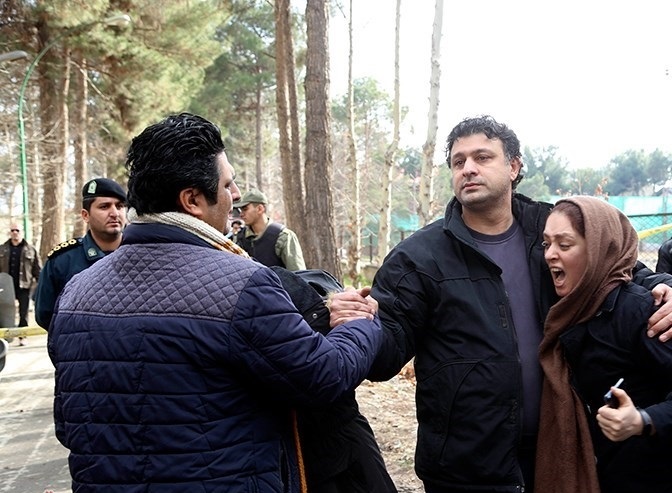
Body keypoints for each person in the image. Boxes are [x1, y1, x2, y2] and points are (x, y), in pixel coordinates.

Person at [331, 115, 672, 493]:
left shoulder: (548, 228)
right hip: (466, 467)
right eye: (458, 161)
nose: (468, 168)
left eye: (482, 157)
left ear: (513, 166)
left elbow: (616, 267)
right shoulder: (418, 257)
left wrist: (664, 286)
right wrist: (357, 323)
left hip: (561, 450)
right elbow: (386, 351)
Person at [47, 112, 383, 492]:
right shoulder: (243, 285)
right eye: (227, 184)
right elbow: (324, 376)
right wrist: (359, 323)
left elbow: (68, 424)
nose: (235, 195)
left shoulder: (75, 292)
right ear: (192, 200)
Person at [537, 196, 672, 493]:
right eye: (546, 244)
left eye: (564, 244)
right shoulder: (571, 309)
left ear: (598, 249)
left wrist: (643, 420)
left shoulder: (641, 313)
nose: (549, 255)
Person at [34, 177, 127, 329]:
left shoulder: (142, 253)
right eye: (104, 207)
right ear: (85, 215)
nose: (114, 213)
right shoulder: (62, 261)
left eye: (120, 206)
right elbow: (45, 315)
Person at [234, 188, 306, 270]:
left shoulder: (283, 237)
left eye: (245, 209)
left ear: (260, 209)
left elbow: (298, 274)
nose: (241, 214)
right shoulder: (240, 238)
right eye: (240, 210)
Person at [0, 224, 41, 343]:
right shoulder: (2, 249)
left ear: (21, 232)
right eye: (12, 230)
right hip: (6, 287)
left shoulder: (31, 249)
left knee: (24, 312)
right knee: (5, 312)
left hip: (24, 286)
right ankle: (5, 337)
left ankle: (23, 336)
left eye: (17, 230)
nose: (15, 232)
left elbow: (37, 269)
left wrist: (41, 283)